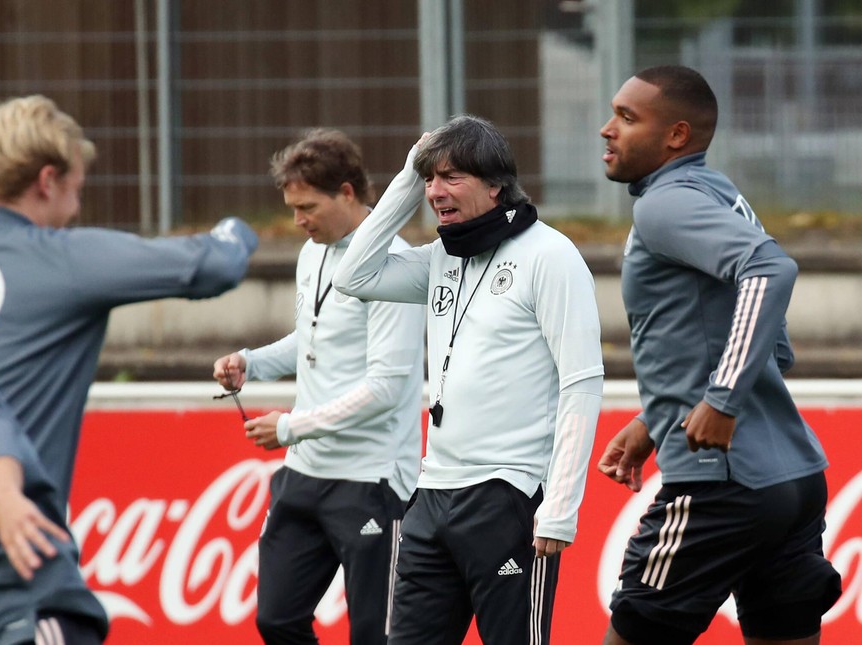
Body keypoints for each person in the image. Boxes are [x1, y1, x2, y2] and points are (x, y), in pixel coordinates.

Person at [0, 94, 258, 644]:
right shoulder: (59, 257)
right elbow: (215, 266)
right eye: (77, 192)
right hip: (15, 569)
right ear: (47, 180)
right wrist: (240, 226)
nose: (76, 209)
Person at [333, 115, 604, 645]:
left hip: (509, 495)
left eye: (451, 177)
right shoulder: (441, 258)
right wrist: (411, 171)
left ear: (495, 185)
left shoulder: (550, 255)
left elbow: (582, 382)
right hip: (431, 495)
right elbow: (353, 275)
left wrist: (561, 508)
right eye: (430, 179)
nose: (436, 192)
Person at [596, 65, 842, 645]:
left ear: (676, 135)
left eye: (628, 118)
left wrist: (721, 400)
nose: (608, 129)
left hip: (720, 485)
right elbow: (769, 336)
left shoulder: (666, 206)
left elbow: (770, 271)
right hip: (793, 478)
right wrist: (653, 422)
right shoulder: (718, 192)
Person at [212, 128, 425, 645]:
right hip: (304, 475)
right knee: (276, 620)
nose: (298, 221)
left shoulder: (395, 262)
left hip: (371, 481)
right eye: (293, 208)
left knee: (377, 635)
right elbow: (313, 339)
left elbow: (387, 389)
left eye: (307, 207)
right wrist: (250, 362)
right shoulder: (315, 250)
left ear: (347, 193)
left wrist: (290, 427)